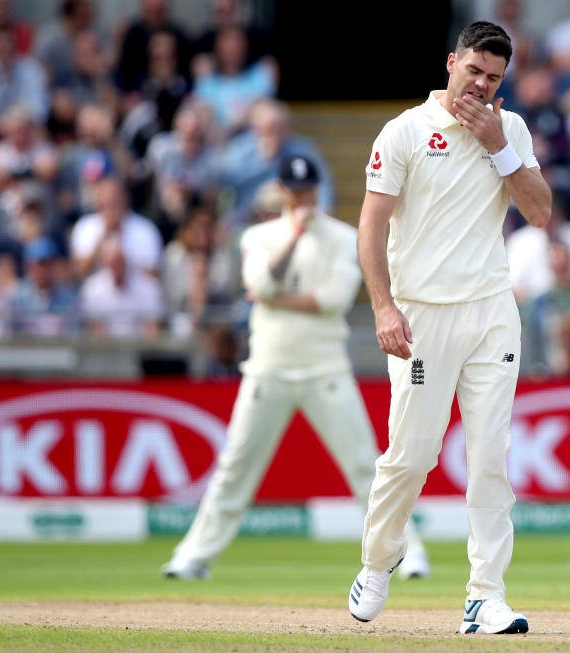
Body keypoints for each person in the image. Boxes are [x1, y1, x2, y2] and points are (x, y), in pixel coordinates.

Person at [350, 21, 550, 634]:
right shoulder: (405, 131)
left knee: (491, 457)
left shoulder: (509, 128)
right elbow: (371, 227)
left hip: (492, 311)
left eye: (494, 79)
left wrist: (498, 145)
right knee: (412, 457)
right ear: (450, 64)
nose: (482, 87)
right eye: (474, 72)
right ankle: (379, 561)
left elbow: (540, 212)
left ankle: (484, 595)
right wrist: (384, 307)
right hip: (422, 316)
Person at [161, 155, 429, 581]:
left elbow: (333, 299)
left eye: (309, 190)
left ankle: (408, 553)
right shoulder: (260, 236)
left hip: (326, 368)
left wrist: (272, 298)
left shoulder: (343, 237)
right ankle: (192, 556)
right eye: (296, 190)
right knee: (235, 468)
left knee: (365, 465)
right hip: (267, 367)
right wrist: (295, 237)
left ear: (317, 190)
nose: (303, 197)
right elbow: (261, 283)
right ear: (283, 191)